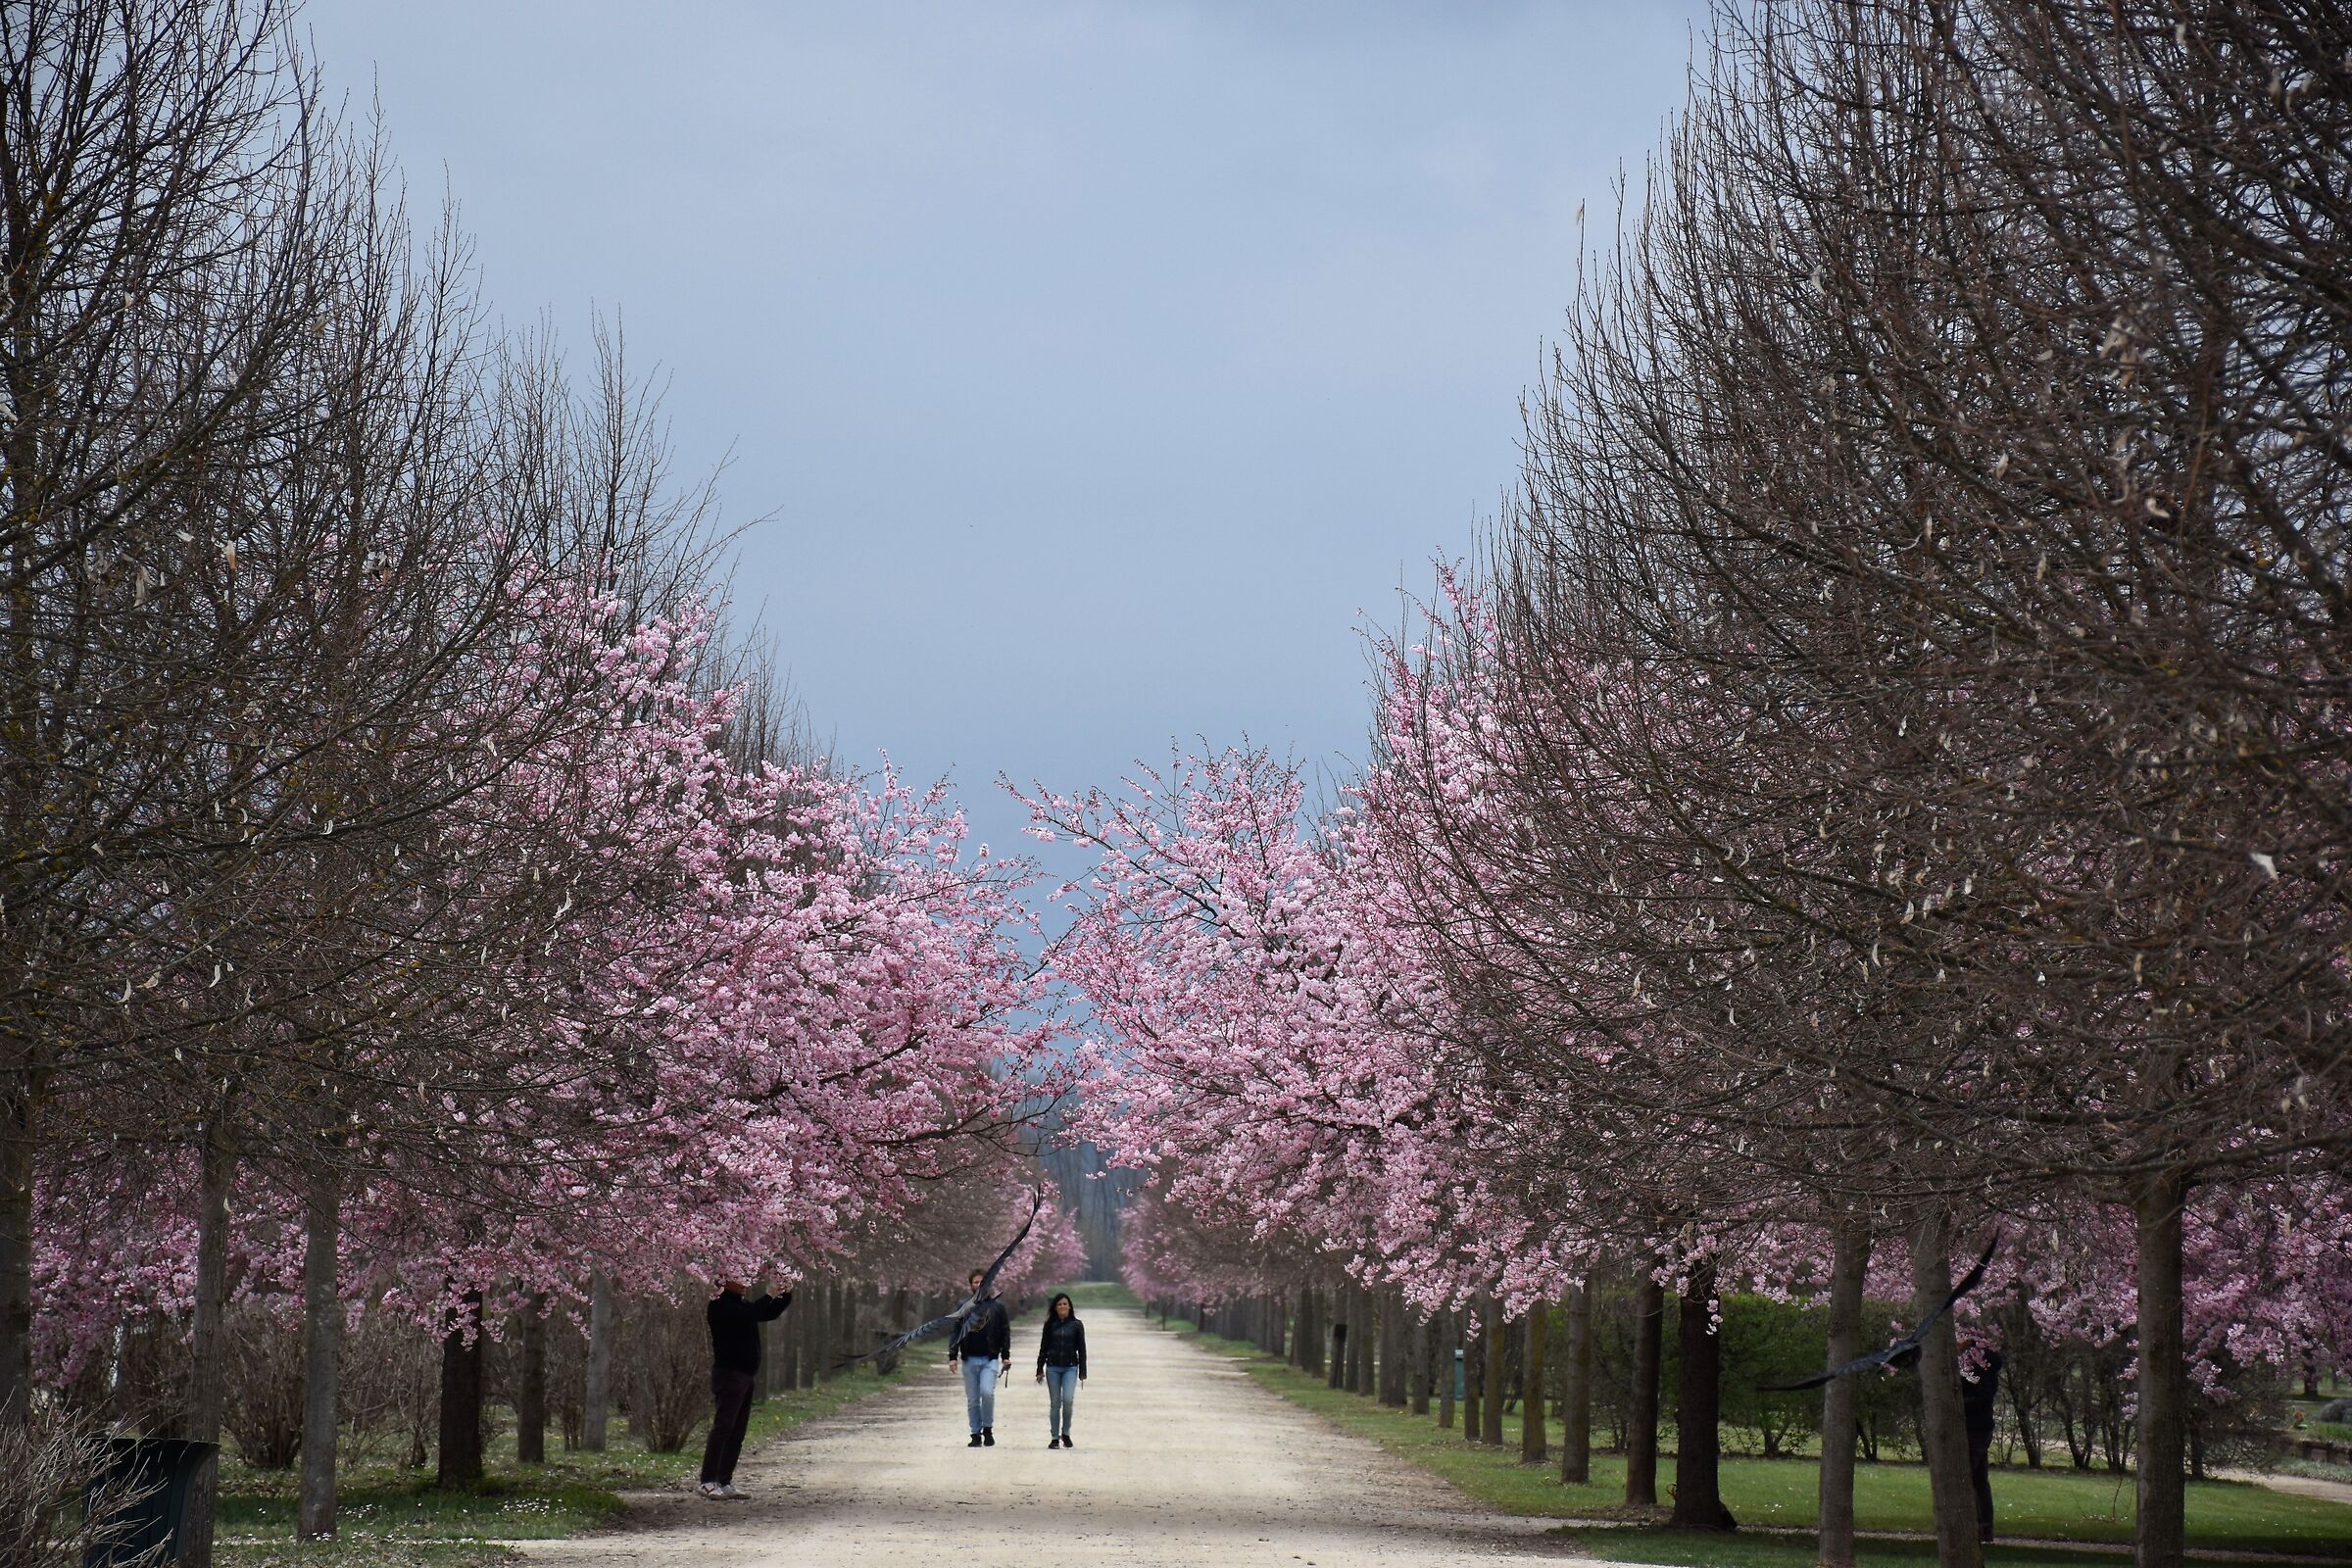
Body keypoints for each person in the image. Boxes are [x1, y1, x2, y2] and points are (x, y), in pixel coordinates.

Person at [699, 1274, 792, 1499]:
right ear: (724, 1281)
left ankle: (724, 1479)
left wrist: (784, 1295)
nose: (745, 1283)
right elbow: (750, 1315)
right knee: (723, 1427)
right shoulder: (720, 1305)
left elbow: (766, 1313)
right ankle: (708, 1480)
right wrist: (769, 1294)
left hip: (745, 1374)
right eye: (739, 1278)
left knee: (737, 1431)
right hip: (729, 1373)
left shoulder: (740, 1303)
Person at [946, 1266, 1012, 1446]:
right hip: (969, 1359)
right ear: (971, 1285)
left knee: (987, 1393)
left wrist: (1005, 1355)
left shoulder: (998, 1307)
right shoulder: (963, 1307)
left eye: (983, 1282)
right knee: (973, 1399)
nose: (980, 1284)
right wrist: (953, 1356)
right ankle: (975, 1434)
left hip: (989, 1359)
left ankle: (987, 1428)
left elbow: (1005, 1332)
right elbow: (955, 1332)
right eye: (976, 1282)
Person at [1961, 1343, 2005, 1544]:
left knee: (1966, 1477)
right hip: (1977, 1426)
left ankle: (1976, 1527)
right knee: (1979, 1479)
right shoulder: (1973, 1365)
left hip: (1976, 1428)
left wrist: (1959, 1403)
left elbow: (1982, 1397)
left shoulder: (1983, 1366)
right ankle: (1984, 1528)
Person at [1034, 1292, 1088, 1447]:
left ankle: (1066, 1433)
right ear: (1055, 1308)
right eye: (1059, 1304)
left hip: (1071, 1367)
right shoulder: (1049, 1325)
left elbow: (1082, 1349)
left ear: (1070, 1306)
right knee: (1055, 1403)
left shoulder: (1077, 1325)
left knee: (1068, 1400)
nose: (1062, 1306)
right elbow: (1043, 1348)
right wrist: (1039, 1368)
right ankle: (1055, 1437)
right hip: (1053, 1367)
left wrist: (1083, 1370)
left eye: (1065, 1304)